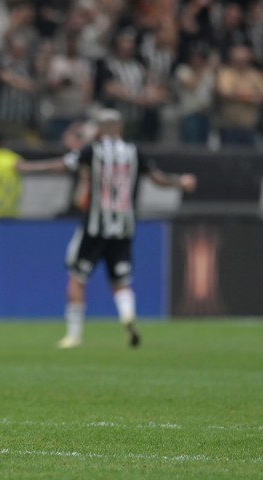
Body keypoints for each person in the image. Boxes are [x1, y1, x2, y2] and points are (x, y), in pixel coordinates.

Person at [16, 110, 197, 349]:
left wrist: (27, 168)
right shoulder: (134, 152)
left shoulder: (93, 151)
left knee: (77, 279)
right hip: (124, 227)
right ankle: (127, 316)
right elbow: (157, 179)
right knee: (120, 282)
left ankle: (74, 335)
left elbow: (62, 165)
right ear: (120, 128)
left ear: (100, 129)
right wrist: (179, 182)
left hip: (95, 226)